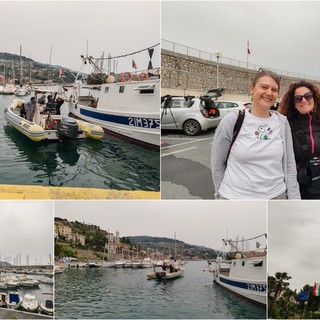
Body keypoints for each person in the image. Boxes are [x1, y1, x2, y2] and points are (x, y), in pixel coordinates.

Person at [211, 68, 300, 200]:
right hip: (235, 199)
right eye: (264, 87)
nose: (269, 93)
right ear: (252, 89)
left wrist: (294, 199)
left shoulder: (282, 122)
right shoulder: (232, 120)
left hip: (276, 197)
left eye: (274, 90)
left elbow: (289, 165)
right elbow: (217, 163)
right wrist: (220, 194)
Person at [279, 81, 320, 199]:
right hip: (300, 188)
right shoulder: (286, 125)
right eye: (298, 98)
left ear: (314, 98)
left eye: (308, 96)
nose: (304, 100)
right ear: (293, 103)